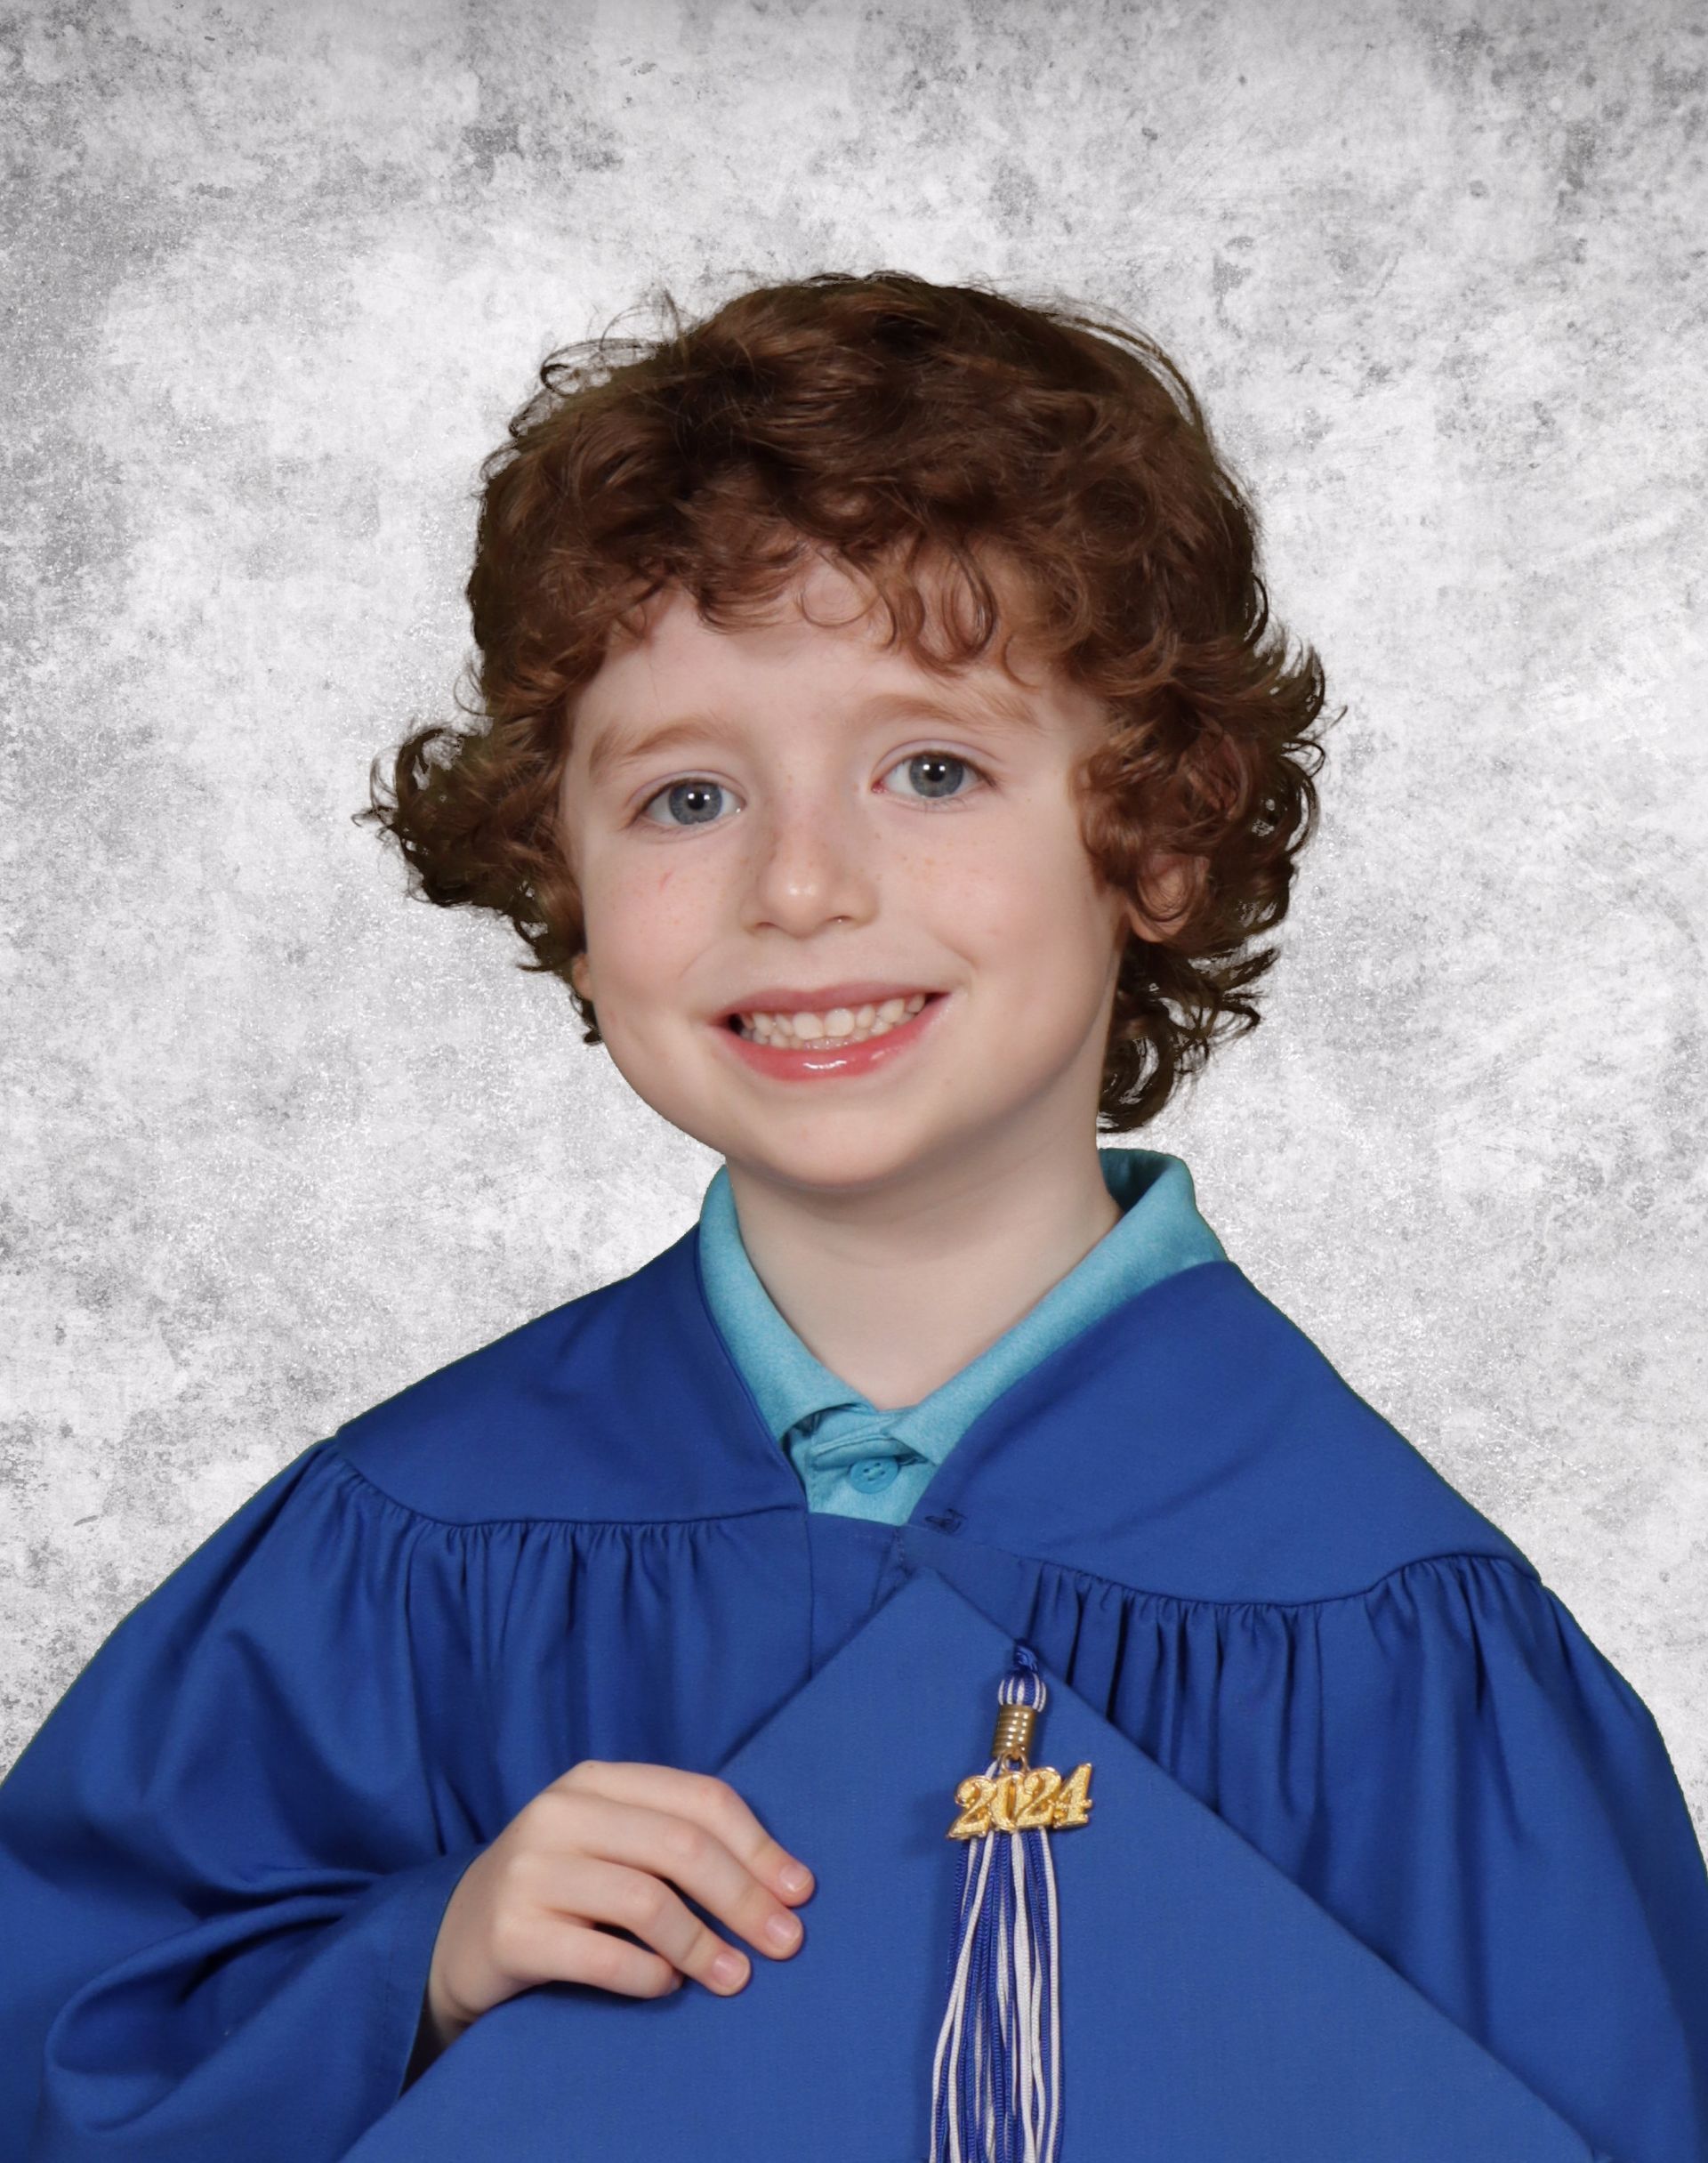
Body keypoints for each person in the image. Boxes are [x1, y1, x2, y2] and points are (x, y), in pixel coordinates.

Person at [1, 270, 1703, 2162]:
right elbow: (61, 2055)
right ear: (553, 868)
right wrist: (419, 1969)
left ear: (1149, 835)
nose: (802, 884)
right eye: (688, 794)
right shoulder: (397, 1560)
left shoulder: (1401, 1640)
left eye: (933, 767)